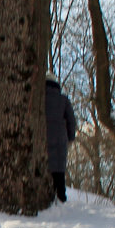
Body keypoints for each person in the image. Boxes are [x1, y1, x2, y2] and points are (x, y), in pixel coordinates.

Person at [45, 72, 77, 203]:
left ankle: (46, 197)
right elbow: (71, 120)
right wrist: (70, 137)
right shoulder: (63, 99)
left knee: (44, 167)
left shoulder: (37, 98)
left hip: (42, 137)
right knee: (58, 169)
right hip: (59, 138)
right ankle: (61, 197)